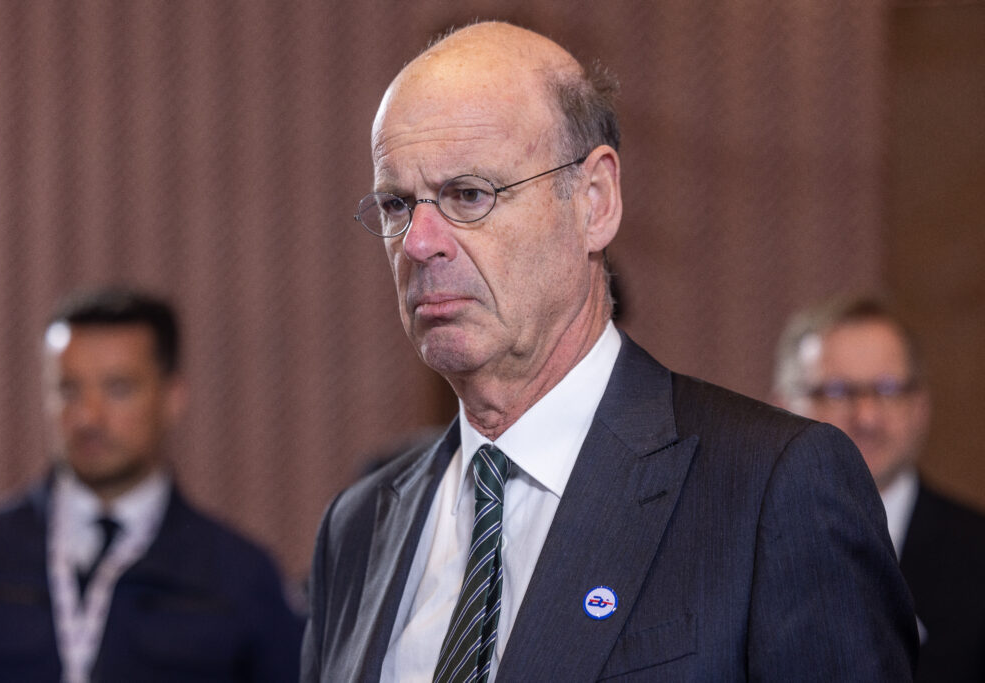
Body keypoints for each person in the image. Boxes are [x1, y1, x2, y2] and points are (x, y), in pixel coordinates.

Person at [301, 21, 916, 681]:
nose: (420, 243)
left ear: (595, 202)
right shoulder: (358, 527)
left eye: (469, 194)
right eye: (396, 204)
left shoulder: (772, 489)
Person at [0, 287, 303, 683]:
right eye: (68, 389)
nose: (88, 417)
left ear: (172, 397)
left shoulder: (239, 576)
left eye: (117, 388)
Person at [773, 295, 985, 682]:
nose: (867, 417)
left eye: (888, 389)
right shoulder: (740, 553)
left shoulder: (977, 552)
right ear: (783, 408)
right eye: (837, 391)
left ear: (920, 406)